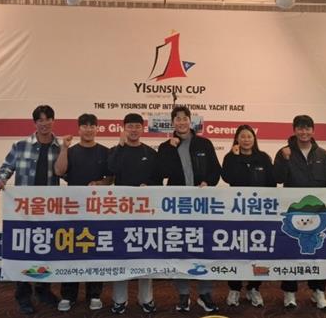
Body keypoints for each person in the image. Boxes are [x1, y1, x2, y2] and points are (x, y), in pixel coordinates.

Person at [0, 105, 61, 315]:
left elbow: (67, 172)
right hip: (23, 210)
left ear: (53, 121)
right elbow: (7, 166)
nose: (45, 123)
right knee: (23, 250)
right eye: (40, 120)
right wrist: (1, 179)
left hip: (49, 209)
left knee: (46, 248)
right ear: (35, 123)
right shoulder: (20, 145)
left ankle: (43, 289)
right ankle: (23, 295)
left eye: (48, 119)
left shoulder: (60, 147)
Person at [157, 105, 221, 313]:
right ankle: (183, 294)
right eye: (177, 119)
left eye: (185, 118)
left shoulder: (204, 143)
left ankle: (205, 293)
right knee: (180, 248)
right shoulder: (165, 146)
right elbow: (162, 172)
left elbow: (215, 170)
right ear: (172, 123)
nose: (181, 122)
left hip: (202, 205)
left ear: (190, 121)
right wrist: (170, 149)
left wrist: (207, 182)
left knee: (204, 247)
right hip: (178, 206)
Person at [273, 115, 326, 311]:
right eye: (300, 128)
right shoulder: (284, 152)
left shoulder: (323, 155)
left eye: (307, 128)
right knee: (290, 250)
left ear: (313, 130)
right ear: (294, 130)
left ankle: (318, 291)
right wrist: (285, 160)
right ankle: (289, 292)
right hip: (294, 213)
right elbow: (277, 178)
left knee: (319, 251)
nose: (304, 132)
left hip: (318, 214)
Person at [54, 113, 111, 312]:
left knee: (95, 251)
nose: (88, 129)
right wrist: (64, 148)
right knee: (72, 250)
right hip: (73, 209)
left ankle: (94, 294)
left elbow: (110, 178)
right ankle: (68, 295)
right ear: (79, 129)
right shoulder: (71, 151)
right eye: (84, 126)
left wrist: (100, 184)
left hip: (97, 209)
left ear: (97, 128)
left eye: (92, 126)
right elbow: (59, 171)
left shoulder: (105, 152)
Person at [107, 113, 160, 314]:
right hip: (121, 211)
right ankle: (119, 300)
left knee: (145, 254)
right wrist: (120, 146)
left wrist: (149, 185)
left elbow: (157, 179)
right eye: (130, 126)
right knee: (121, 255)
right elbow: (111, 169)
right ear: (124, 129)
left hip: (145, 212)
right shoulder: (116, 150)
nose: (134, 130)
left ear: (142, 128)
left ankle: (146, 298)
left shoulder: (150, 153)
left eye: (137, 126)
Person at [221, 124, 274, 308]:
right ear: (237, 139)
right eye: (242, 136)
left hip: (260, 213)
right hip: (237, 213)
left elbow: (272, 183)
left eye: (249, 136)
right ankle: (234, 288)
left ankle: (254, 288)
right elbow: (228, 178)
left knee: (258, 251)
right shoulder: (230, 157)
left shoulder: (263, 158)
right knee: (235, 250)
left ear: (254, 139)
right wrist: (235, 157)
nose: (246, 140)